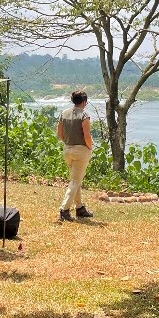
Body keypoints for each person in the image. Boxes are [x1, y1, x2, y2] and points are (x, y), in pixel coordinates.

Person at [55, 89, 94, 222]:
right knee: (75, 181)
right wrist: (89, 147)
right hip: (81, 151)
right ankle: (64, 209)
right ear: (84, 102)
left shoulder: (64, 113)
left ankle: (80, 208)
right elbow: (87, 136)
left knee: (75, 179)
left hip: (67, 150)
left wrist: (67, 142)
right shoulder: (84, 116)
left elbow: (59, 133)